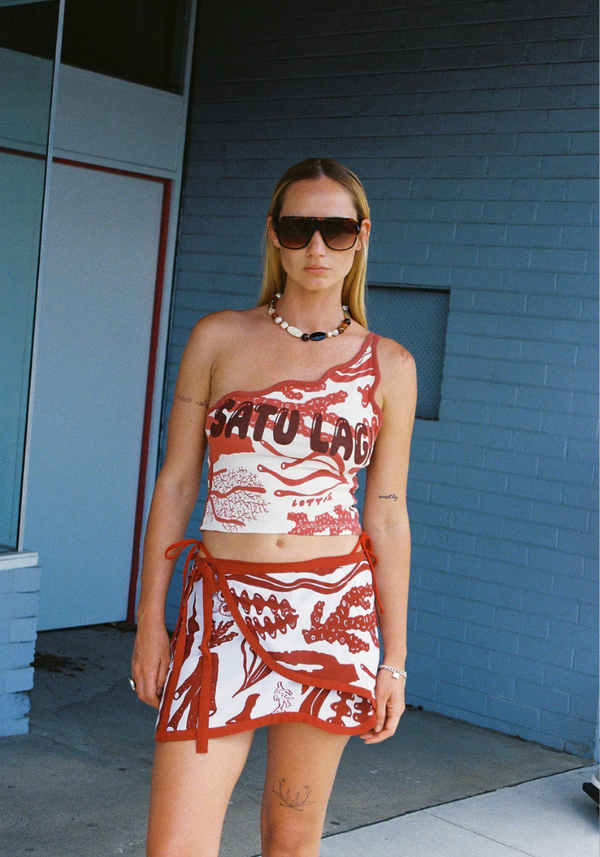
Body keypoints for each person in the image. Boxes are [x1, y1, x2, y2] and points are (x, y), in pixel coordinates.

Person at [131, 157, 417, 857]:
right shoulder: (218, 338)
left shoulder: (392, 365)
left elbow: (385, 511)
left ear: (361, 236)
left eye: (335, 229)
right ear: (273, 235)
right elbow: (174, 483)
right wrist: (149, 620)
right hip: (220, 612)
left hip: (331, 620)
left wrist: (394, 660)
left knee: (290, 841)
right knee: (175, 846)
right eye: (298, 227)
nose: (316, 247)